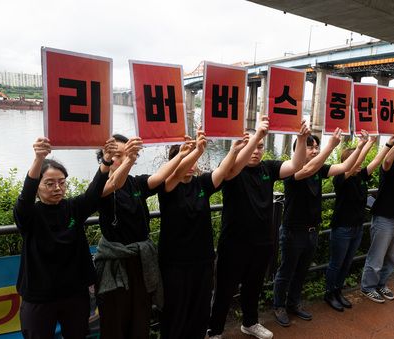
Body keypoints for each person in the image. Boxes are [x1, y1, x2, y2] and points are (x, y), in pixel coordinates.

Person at [208, 116, 310, 339]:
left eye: (260, 146)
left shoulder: (268, 168)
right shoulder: (232, 169)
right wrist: (255, 138)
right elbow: (229, 171)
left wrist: (301, 140)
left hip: (262, 241)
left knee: (253, 287)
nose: (255, 150)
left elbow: (296, 166)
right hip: (233, 243)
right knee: (225, 290)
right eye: (250, 145)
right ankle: (215, 330)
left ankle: (250, 323)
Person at [93, 134, 194, 339]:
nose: (121, 159)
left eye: (126, 154)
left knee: (140, 315)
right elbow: (114, 184)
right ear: (105, 157)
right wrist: (129, 159)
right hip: (116, 264)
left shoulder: (135, 183)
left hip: (140, 260)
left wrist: (181, 154)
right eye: (117, 155)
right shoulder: (100, 186)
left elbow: (158, 177)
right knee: (115, 319)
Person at [14, 137, 112, 338]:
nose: (57, 188)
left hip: (75, 293)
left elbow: (93, 194)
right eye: (49, 183)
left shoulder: (73, 208)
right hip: (39, 296)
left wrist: (107, 162)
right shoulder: (29, 214)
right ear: (38, 187)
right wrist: (39, 159)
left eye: (61, 182)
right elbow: (25, 197)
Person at [158, 130, 249, 339]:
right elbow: (176, 175)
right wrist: (196, 150)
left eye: (194, 159)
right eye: (185, 158)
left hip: (203, 261)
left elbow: (227, 170)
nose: (192, 164)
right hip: (175, 264)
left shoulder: (202, 184)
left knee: (199, 311)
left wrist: (235, 149)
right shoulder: (167, 188)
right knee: (176, 311)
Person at [272, 128, 365, 325]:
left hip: (312, 231)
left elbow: (345, 166)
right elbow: (306, 170)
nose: (315, 150)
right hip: (292, 232)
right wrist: (330, 146)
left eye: (317, 147)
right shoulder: (291, 170)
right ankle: (278, 305)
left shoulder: (320, 170)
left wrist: (360, 146)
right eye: (309, 147)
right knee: (286, 271)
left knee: (301, 271)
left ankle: (293, 303)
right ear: (298, 150)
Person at [324, 132, 394, 312]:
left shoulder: (360, 177)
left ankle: (338, 291)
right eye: (354, 159)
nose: (359, 162)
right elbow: (355, 163)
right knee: (336, 263)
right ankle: (329, 294)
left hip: (357, 227)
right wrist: (361, 146)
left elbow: (376, 162)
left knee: (347, 262)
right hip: (342, 228)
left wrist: (383, 144)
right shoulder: (341, 178)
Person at [361, 124, 394, 303]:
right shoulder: (389, 168)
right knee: (377, 255)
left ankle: (381, 284)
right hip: (384, 218)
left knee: (391, 256)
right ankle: (368, 287)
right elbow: (387, 160)